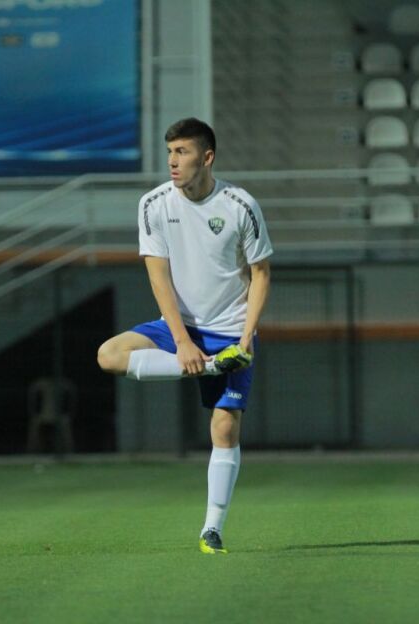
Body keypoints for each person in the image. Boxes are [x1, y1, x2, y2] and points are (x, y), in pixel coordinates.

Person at [97, 118, 273, 554]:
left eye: (182, 152)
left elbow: (261, 273)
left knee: (224, 427)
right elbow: (158, 278)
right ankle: (211, 367)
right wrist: (182, 342)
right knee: (109, 355)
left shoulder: (240, 205)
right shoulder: (154, 204)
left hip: (230, 329)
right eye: (170, 152)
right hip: (180, 326)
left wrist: (245, 340)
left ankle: (212, 528)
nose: (173, 162)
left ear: (207, 157)